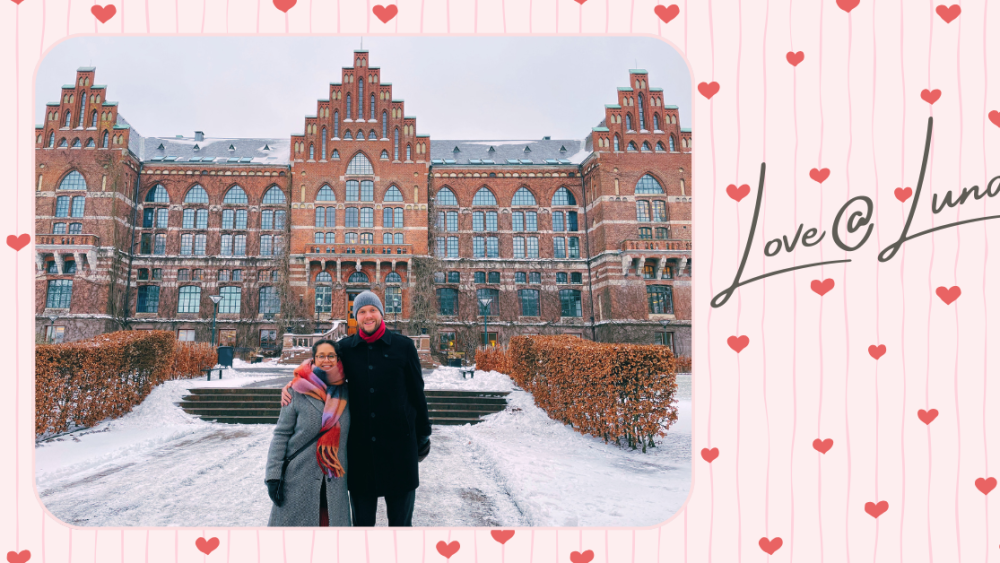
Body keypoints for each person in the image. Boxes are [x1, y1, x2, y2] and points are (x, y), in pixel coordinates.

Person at [281, 290, 431, 526]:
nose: (367, 316)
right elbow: (319, 367)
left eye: (372, 310)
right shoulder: (346, 348)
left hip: (400, 451)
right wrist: (294, 382)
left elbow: (416, 394)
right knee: (362, 527)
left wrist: (423, 436)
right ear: (355, 316)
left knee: (401, 526)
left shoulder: (404, 347)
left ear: (381, 313)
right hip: (361, 454)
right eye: (361, 312)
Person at [265, 339, 351, 526]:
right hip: (298, 481)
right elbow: (281, 435)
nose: (326, 360)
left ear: (338, 359)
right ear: (313, 359)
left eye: (331, 356)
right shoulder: (296, 390)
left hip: (334, 483)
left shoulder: (348, 392)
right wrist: (273, 475)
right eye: (321, 356)